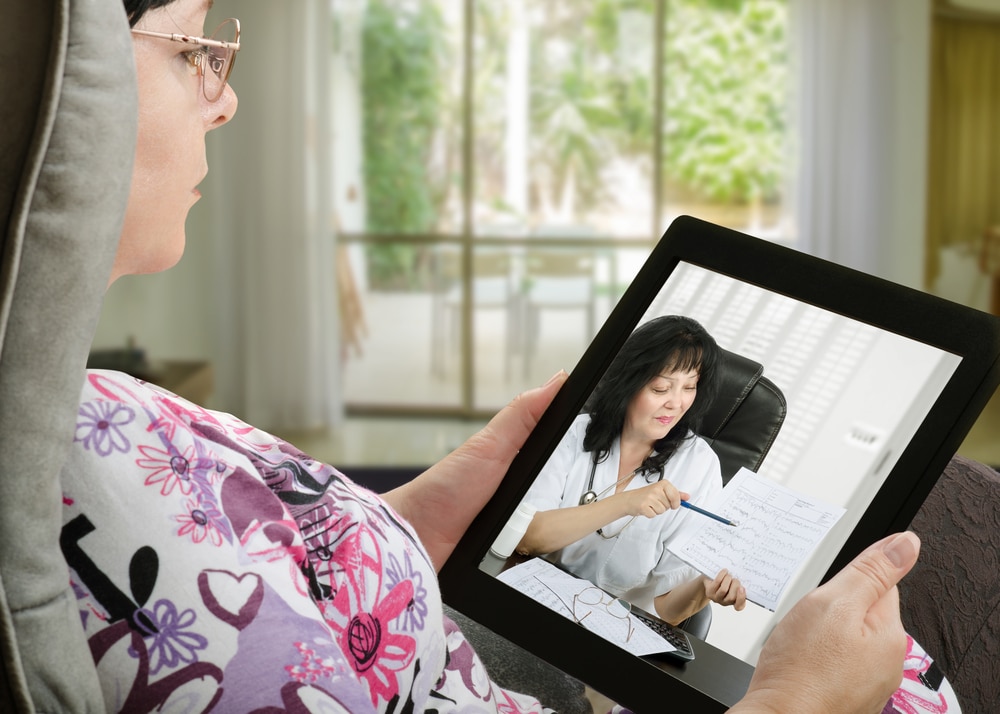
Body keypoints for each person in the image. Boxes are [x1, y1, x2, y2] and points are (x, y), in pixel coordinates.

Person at [57, 0, 922, 711]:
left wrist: (418, 517)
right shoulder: (86, 498)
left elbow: (661, 604)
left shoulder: (104, 408)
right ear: (62, 72)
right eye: (194, 49)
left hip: (530, 626)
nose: (226, 99)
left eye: (689, 389)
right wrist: (793, 701)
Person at [516, 316, 746, 626]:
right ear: (629, 382)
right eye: (661, 388)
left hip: (617, 625)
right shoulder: (574, 432)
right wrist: (625, 503)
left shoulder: (700, 465)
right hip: (532, 597)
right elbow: (528, 538)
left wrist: (704, 589)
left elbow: (669, 611)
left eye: (689, 387)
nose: (676, 403)